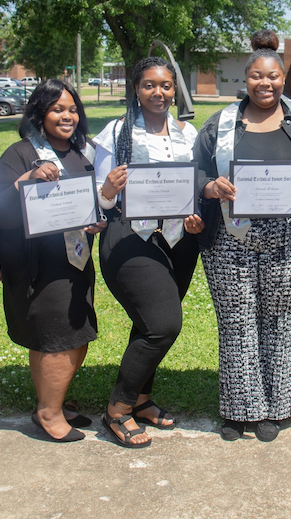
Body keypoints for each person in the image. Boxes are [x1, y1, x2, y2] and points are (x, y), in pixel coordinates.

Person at [195, 48, 291, 442]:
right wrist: (209, 185)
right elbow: (197, 171)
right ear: (246, 78)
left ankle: (277, 406)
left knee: (280, 320)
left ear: (283, 78)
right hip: (231, 236)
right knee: (237, 322)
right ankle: (241, 410)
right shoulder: (220, 124)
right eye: (257, 76)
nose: (265, 83)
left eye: (272, 76)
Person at [94, 57, 204, 448]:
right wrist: (108, 189)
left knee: (147, 325)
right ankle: (117, 410)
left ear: (175, 90)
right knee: (162, 324)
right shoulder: (118, 133)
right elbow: (100, 199)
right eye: (149, 85)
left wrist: (197, 218)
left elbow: (197, 186)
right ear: (136, 90)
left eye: (166, 86)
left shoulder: (189, 135)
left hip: (179, 240)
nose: (159, 93)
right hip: (130, 236)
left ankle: (140, 399)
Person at [0, 79, 106, 443]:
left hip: (74, 261)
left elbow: (88, 203)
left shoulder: (82, 153)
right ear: (40, 113)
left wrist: (96, 220)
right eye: (58, 109)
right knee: (57, 337)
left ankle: (50, 401)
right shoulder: (20, 154)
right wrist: (27, 178)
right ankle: (49, 413)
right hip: (37, 265)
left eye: (73, 109)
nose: (67, 116)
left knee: (69, 334)